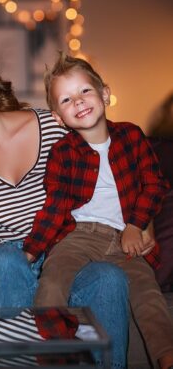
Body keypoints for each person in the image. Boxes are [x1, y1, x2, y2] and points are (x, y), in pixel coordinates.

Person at [0, 39, 157, 369]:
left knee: (108, 277)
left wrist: (143, 223)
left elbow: (120, 166)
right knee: (7, 259)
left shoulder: (51, 125)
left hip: (61, 257)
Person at [23, 53, 173, 369]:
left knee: (149, 297)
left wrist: (136, 224)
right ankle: (56, 357)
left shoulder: (131, 136)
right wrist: (32, 251)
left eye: (85, 91)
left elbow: (155, 185)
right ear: (58, 117)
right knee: (51, 283)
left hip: (126, 239)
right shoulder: (62, 153)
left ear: (104, 93)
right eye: (66, 99)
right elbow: (56, 206)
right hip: (77, 237)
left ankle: (167, 359)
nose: (78, 102)